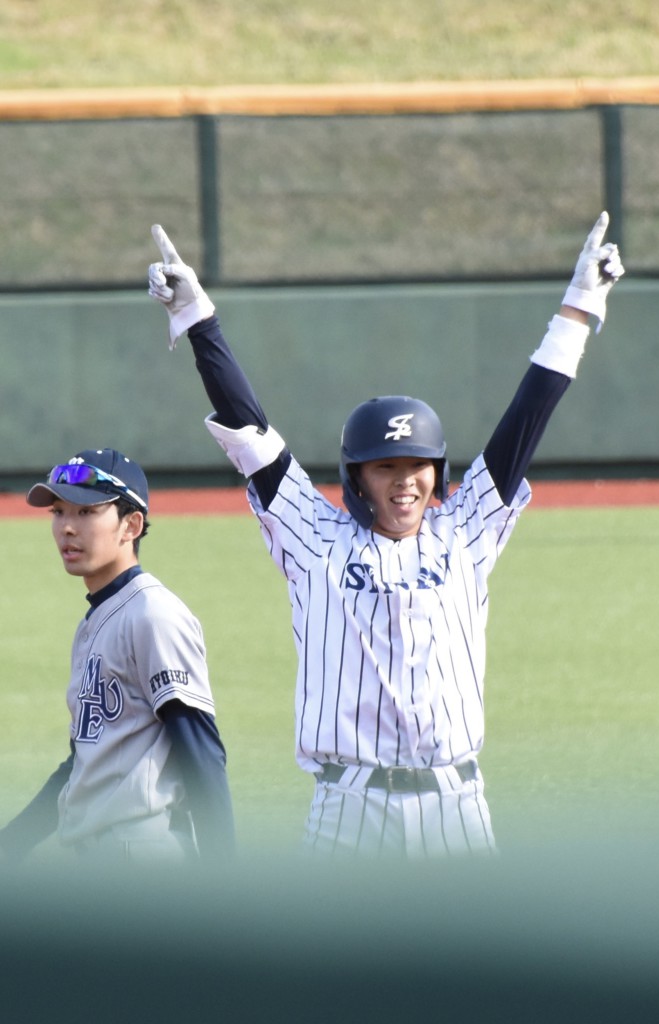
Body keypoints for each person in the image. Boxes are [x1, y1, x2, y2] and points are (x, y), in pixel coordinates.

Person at [147, 213, 624, 858]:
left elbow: (526, 421)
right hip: (349, 810)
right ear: (358, 478)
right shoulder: (312, 536)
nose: (404, 481)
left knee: (472, 964)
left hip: (457, 809)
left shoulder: (467, 530)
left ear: (437, 473)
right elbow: (249, 430)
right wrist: (199, 320)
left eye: (416, 466)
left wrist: (578, 306)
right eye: (386, 467)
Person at [0, 448, 235, 868]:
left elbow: (201, 750)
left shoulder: (152, 615)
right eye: (58, 511)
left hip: (140, 858)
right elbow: (85, 761)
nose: (67, 528)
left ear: (132, 525)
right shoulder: (99, 618)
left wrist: (225, 877)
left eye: (87, 513)